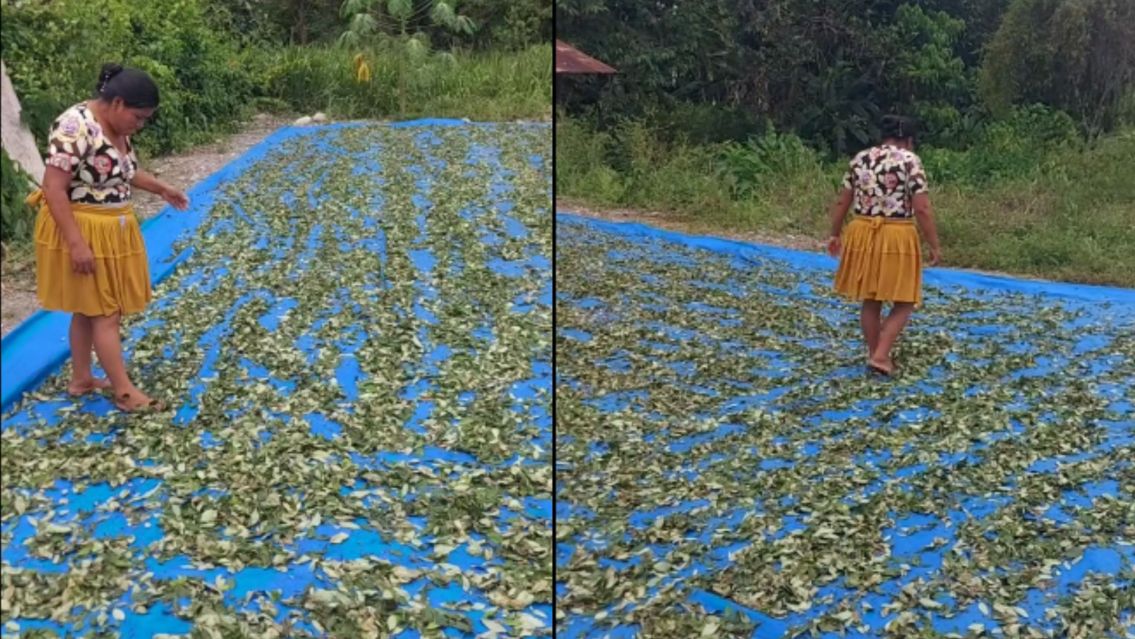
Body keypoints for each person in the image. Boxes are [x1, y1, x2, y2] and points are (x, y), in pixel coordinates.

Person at [26, 63, 189, 412]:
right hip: (81, 228)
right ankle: (125, 393)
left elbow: (125, 171)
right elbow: (53, 188)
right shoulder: (75, 126)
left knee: (88, 309)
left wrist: (162, 188)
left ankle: (81, 379)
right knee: (106, 313)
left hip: (110, 228)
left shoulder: (117, 127)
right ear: (117, 103)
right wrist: (76, 244)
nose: (139, 125)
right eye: (138, 117)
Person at [826, 115, 941, 376]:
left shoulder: (860, 159)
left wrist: (834, 234)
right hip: (895, 234)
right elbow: (922, 208)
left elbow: (843, 201)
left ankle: (875, 353)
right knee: (905, 299)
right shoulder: (909, 161)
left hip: (862, 232)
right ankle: (880, 355)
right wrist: (934, 244)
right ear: (908, 140)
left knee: (871, 297)